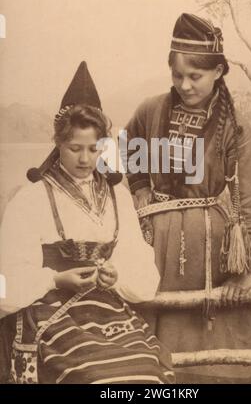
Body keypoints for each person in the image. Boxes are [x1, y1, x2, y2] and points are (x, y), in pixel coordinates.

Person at [0, 61, 174, 384]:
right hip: (51, 314)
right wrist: (55, 279)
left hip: (108, 314)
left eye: (93, 149)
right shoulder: (32, 198)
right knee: (95, 376)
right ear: (58, 144)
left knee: (147, 373)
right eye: (74, 148)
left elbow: (145, 278)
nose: (84, 159)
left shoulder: (118, 197)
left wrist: (116, 275)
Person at [125, 14, 251, 383]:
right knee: (157, 356)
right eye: (177, 76)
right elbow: (125, 148)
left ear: (219, 71)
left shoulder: (236, 128)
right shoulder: (150, 110)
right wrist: (140, 187)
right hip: (157, 250)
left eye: (195, 76)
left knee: (215, 352)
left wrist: (246, 272)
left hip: (212, 253)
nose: (184, 85)